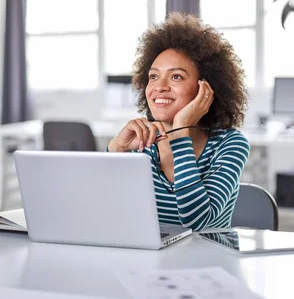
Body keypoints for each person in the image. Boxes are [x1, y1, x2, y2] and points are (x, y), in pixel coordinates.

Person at [107, 12, 250, 233]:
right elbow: (103, 216)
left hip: (210, 263)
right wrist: (115, 150)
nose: (159, 87)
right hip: (147, 265)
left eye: (176, 77)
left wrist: (180, 130)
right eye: (153, 76)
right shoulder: (140, 143)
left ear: (206, 88)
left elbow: (196, 222)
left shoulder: (229, 144)